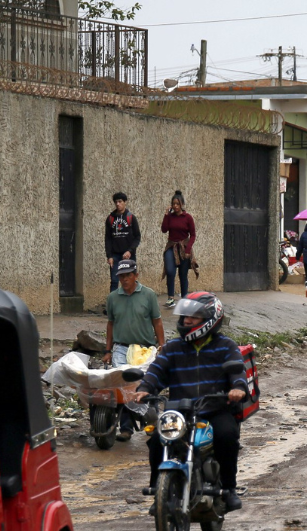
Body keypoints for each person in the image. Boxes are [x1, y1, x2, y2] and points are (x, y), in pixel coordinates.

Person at [130, 292, 248, 511]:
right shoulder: (173, 348)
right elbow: (157, 370)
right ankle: (159, 491)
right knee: (157, 439)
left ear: (211, 319)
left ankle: (229, 489)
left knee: (227, 436)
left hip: (214, 410)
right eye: (185, 316)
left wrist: (238, 389)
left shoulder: (226, 346)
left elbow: (237, 372)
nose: (186, 321)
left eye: (192, 317)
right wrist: (145, 388)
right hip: (180, 411)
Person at [104, 259, 165, 440]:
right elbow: (110, 324)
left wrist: (161, 346)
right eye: (121, 276)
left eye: (128, 275)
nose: (124, 279)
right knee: (124, 385)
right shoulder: (113, 298)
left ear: (136, 275)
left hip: (145, 349)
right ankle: (126, 428)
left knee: (147, 382)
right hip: (121, 348)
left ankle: (152, 420)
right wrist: (107, 350)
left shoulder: (148, 295)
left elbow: (157, 321)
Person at [160, 190, 196, 308]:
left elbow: (193, 235)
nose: (175, 206)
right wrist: (166, 215)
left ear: (182, 204)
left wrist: (188, 250)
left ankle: (184, 298)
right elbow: (164, 230)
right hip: (171, 246)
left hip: (183, 248)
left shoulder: (188, 218)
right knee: (170, 271)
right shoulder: (169, 217)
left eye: (177, 204)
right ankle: (171, 298)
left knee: (183, 274)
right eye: (174, 204)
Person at [105, 191, 141, 292]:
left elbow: (137, 237)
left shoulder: (131, 218)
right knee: (114, 281)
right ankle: (112, 306)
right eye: (116, 202)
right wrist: (109, 256)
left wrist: (130, 250)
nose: (118, 204)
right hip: (115, 255)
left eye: (120, 201)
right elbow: (107, 238)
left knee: (130, 280)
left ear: (125, 202)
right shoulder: (110, 219)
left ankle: (132, 303)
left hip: (129, 255)